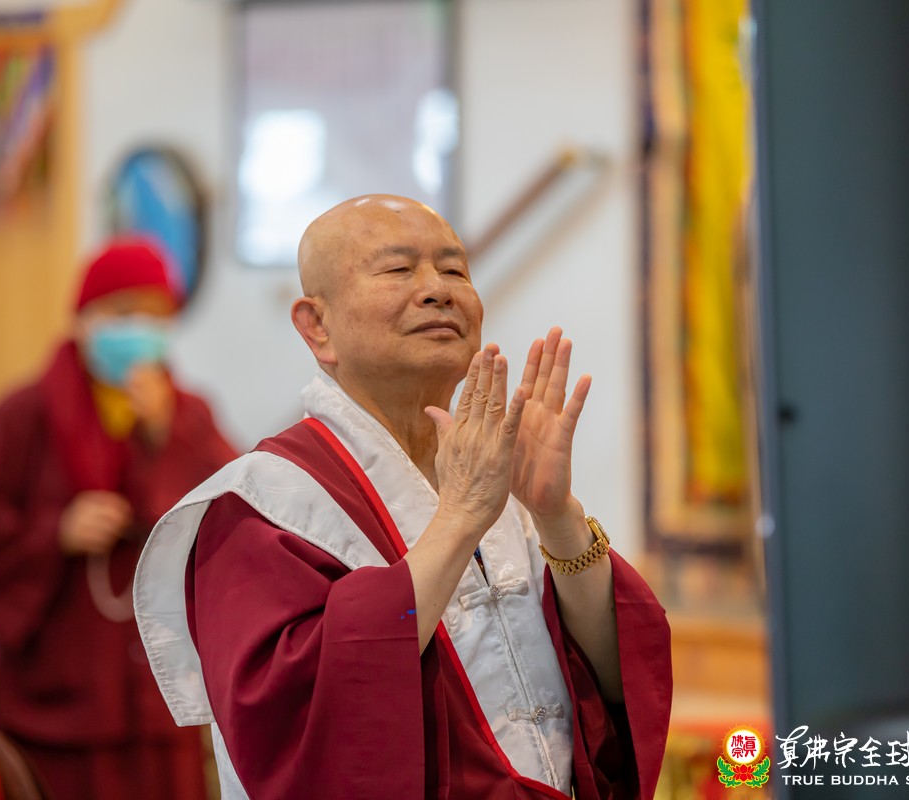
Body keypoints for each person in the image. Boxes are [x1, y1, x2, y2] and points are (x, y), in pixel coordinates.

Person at [134, 196, 673, 799]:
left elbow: (614, 682)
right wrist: (460, 518)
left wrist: (556, 515)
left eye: (454, 269)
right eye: (398, 269)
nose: (437, 290)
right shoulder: (262, 503)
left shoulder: (493, 470)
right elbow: (297, 722)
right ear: (317, 326)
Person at [0, 237, 239, 800]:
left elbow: (236, 515)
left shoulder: (188, 414)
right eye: (123, 313)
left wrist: (166, 436)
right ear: (83, 319)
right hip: (54, 703)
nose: (139, 330)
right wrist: (54, 531)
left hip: (157, 703)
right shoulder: (25, 414)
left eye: (155, 316)